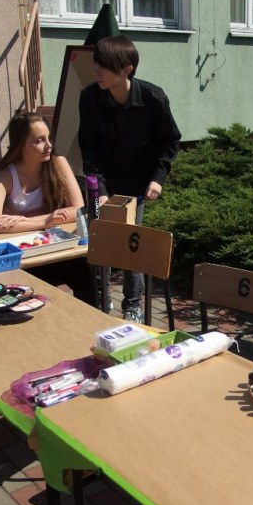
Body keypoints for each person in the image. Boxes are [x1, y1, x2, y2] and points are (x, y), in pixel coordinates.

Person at [78, 35, 181, 324]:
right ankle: (101, 300)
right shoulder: (90, 98)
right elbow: (89, 148)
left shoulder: (153, 98)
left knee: (130, 243)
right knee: (101, 241)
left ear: (126, 69)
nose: (96, 72)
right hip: (102, 181)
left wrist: (158, 178)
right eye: (96, 65)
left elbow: (170, 141)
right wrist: (100, 189)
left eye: (103, 67)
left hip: (137, 183)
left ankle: (132, 305)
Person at [0, 112, 94, 303]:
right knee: (36, 292)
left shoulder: (58, 163)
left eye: (49, 138)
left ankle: (92, 319)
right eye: (39, 140)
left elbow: (78, 208)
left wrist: (25, 221)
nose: (48, 145)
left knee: (85, 279)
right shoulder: (5, 176)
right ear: (21, 145)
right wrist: (46, 220)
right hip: (26, 256)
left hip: (58, 249)